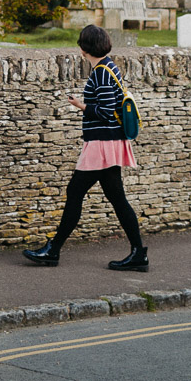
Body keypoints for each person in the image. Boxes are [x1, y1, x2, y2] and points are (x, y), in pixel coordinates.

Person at [23, 23, 148, 271]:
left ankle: (53, 250)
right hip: (110, 141)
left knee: (75, 192)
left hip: (101, 143)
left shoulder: (101, 72)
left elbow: (105, 112)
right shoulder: (109, 66)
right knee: (116, 198)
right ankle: (138, 254)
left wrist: (79, 105)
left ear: (84, 48)